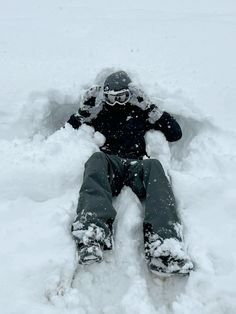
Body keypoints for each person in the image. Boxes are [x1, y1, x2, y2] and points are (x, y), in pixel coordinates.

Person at [67, 71, 194, 275]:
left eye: (122, 97)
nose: (116, 103)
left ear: (130, 95)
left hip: (138, 165)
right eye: (111, 97)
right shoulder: (99, 114)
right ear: (104, 96)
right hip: (111, 165)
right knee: (96, 159)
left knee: (155, 165)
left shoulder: (139, 113)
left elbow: (175, 133)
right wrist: (83, 113)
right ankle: (93, 232)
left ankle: (164, 242)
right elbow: (66, 133)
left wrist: (149, 107)